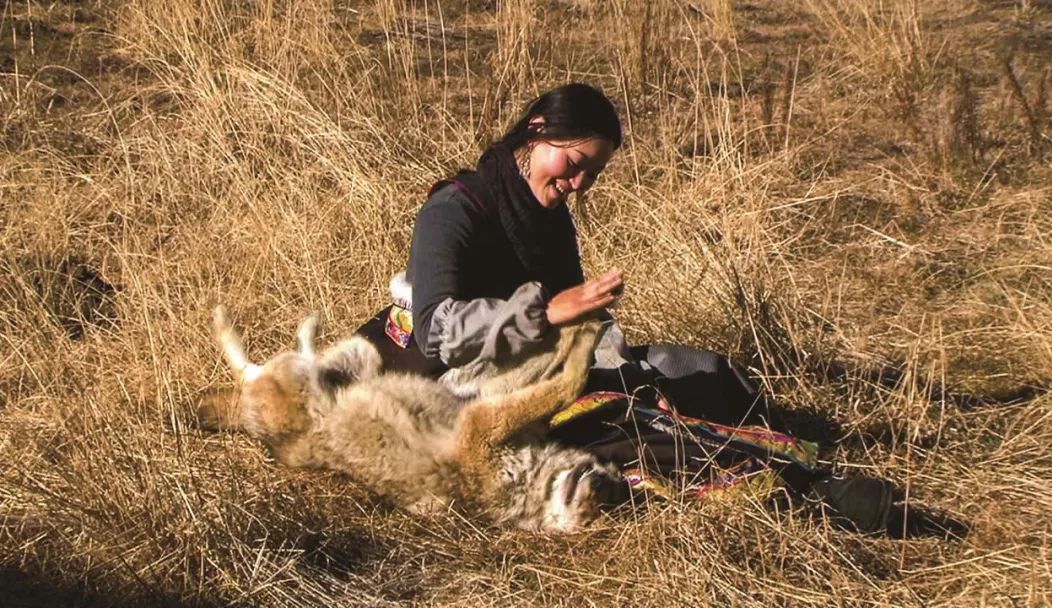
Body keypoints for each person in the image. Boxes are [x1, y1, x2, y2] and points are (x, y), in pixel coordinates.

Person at [357, 83, 967, 538]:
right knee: (627, 431)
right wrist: (546, 314)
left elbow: (582, 323)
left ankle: (768, 444)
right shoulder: (456, 210)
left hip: (537, 367)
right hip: (456, 392)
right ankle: (808, 493)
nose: (579, 185)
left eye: (592, 175)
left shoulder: (547, 221)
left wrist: (608, 348)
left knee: (698, 373)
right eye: (574, 165)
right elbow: (438, 331)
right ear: (537, 132)